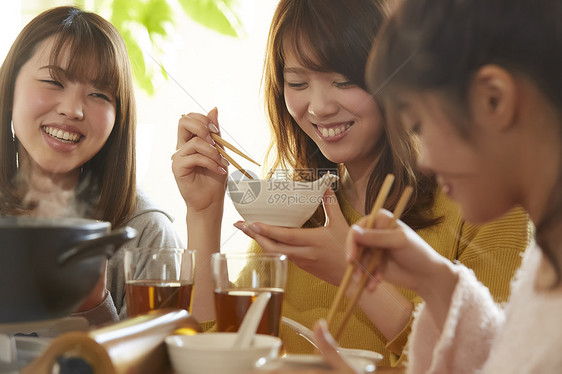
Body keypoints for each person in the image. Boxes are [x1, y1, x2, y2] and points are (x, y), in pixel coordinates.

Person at [172, 0, 529, 366]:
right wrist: (204, 213)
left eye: (343, 81)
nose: (319, 107)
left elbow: (492, 361)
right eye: (297, 83)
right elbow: (216, 357)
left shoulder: (487, 204)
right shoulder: (293, 208)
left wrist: (355, 275)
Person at [271, 0, 562, 372]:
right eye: (297, 82)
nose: (425, 160)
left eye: (422, 126)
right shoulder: (546, 259)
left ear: (494, 99)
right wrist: (437, 282)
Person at [0, 6, 182, 326]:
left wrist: (93, 304)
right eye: (53, 82)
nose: (73, 110)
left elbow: (155, 362)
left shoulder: (146, 233)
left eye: (99, 94)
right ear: (11, 85)